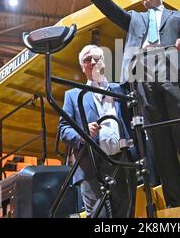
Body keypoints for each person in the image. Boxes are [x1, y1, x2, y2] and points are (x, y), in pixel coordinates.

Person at [69, 0, 180, 208]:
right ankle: (175, 203)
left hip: (174, 75)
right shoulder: (135, 18)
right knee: (160, 143)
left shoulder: (179, 16)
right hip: (143, 78)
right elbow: (112, 11)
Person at [58, 45, 136, 218]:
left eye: (97, 58)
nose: (92, 62)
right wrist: (83, 135)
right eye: (87, 60)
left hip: (121, 162)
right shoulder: (72, 95)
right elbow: (63, 129)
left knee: (125, 214)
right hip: (91, 167)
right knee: (99, 217)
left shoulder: (120, 90)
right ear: (82, 67)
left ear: (103, 61)